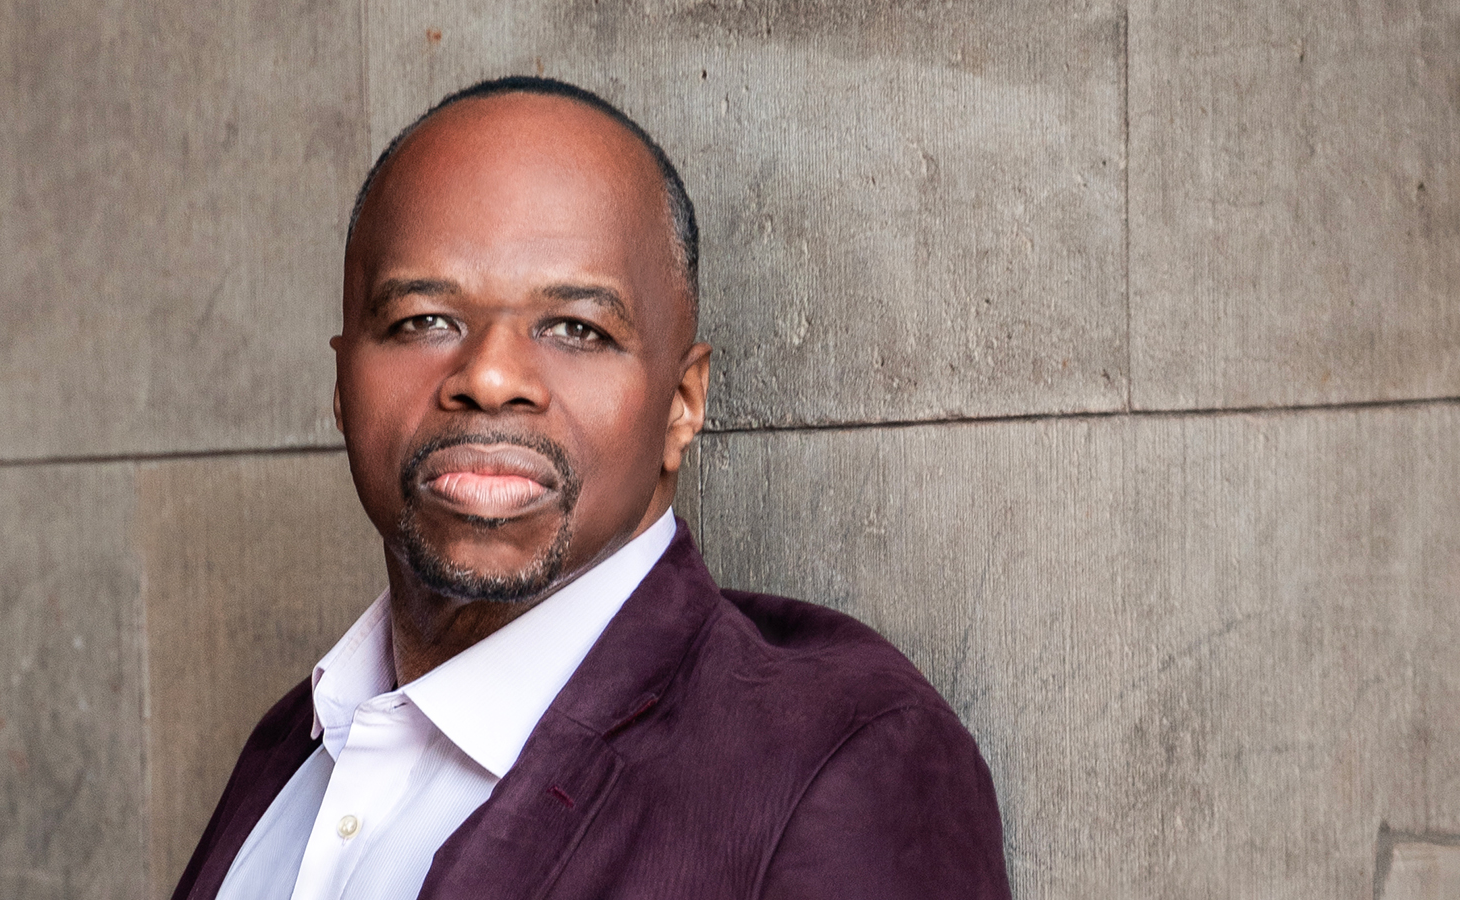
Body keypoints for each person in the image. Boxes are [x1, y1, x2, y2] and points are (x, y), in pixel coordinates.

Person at [171, 76, 1010, 900]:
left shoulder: (835, 762)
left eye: (576, 328)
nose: (491, 375)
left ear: (683, 403)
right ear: (343, 384)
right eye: (424, 320)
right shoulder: (296, 742)